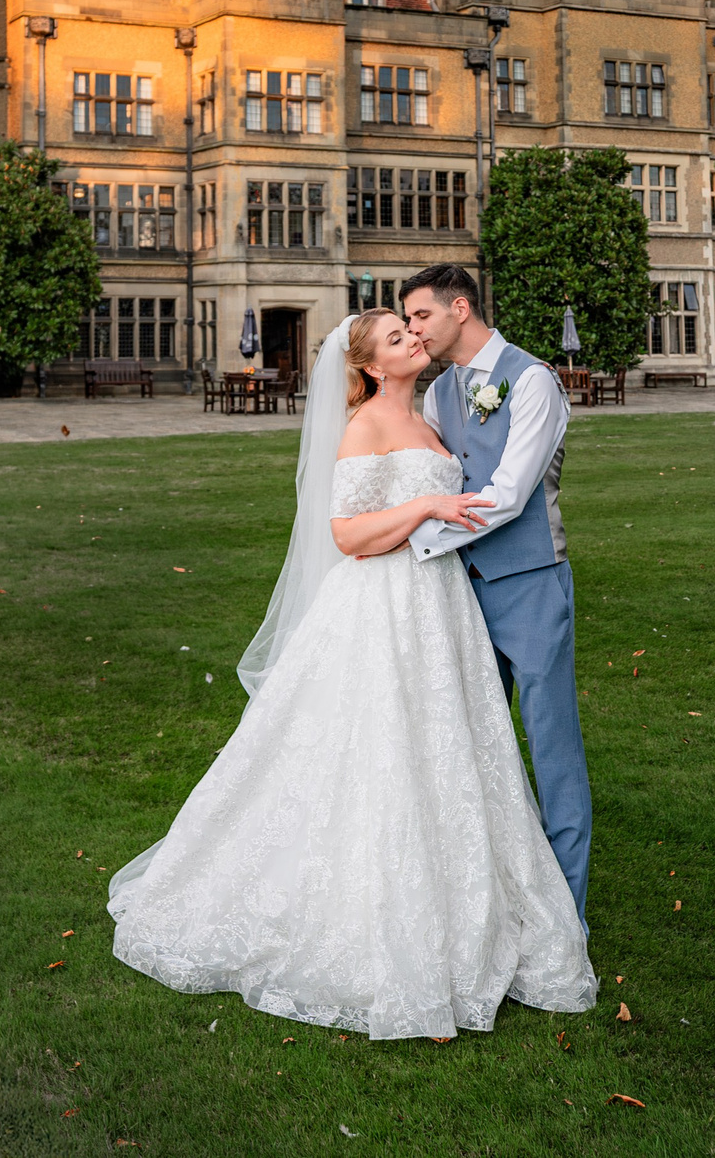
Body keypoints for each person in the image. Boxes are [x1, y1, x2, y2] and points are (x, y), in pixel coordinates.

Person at [105, 309, 596, 1040]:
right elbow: (347, 535)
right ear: (371, 365)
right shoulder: (363, 425)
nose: (414, 340)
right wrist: (428, 501)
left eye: (412, 328)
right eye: (399, 338)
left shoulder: (434, 417)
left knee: (453, 749)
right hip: (380, 606)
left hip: (440, 605)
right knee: (375, 749)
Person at [396, 263, 592, 923]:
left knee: (550, 746)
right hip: (460, 592)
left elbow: (508, 492)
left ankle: (566, 917)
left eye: (420, 315)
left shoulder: (531, 378)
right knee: (474, 747)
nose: (412, 329)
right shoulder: (438, 394)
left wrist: (415, 538)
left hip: (531, 581)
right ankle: (491, 903)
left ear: (460, 307)